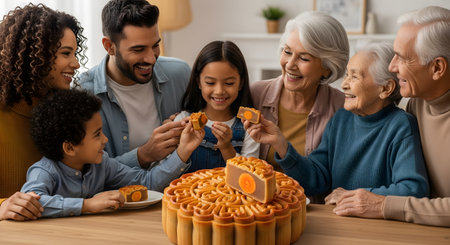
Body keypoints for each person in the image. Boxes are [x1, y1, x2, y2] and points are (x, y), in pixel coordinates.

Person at [244, 42, 429, 201]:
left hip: (378, 227)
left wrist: (357, 197)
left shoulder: (401, 125)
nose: (344, 85)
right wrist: (280, 144)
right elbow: (316, 179)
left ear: (386, 88)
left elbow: (414, 189)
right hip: (338, 218)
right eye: (346, 75)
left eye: (354, 77)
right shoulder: (341, 119)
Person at [332, 6, 450, 227]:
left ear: (437, 67)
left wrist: (382, 204)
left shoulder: (406, 115)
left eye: (402, 58)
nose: (391, 66)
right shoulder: (417, 103)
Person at [21, 89, 201, 218]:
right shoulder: (44, 172)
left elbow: (147, 183)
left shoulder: (102, 164)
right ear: (69, 148)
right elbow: (30, 203)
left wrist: (183, 151)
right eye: (97, 134)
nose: (105, 140)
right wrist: (87, 205)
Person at [0, 3, 87, 221]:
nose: (76, 64)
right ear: (33, 55)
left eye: (75, 53)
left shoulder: (64, 115)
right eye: (65, 53)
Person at [79, 0, 190, 169]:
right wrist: (144, 155)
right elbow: (89, 173)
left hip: (180, 191)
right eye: (138, 50)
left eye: (155, 46)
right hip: (120, 195)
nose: (151, 59)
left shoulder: (180, 74)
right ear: (109, 47)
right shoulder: (84, 92)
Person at [250, 11, 348, 171]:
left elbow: (333, 177)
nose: (289, 65)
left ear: (328, 67)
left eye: (304, 58)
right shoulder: (256, 94)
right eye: (287, 52)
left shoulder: (342, 108)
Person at [170, 40, 259, 172]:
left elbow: (251, 177)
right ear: (198, 82)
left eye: (229, 83)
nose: (219, 91)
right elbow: (166, 172)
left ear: (241, 83)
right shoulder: (183, 121)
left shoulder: (250, 127)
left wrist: (227, 148)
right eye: (210, 83)